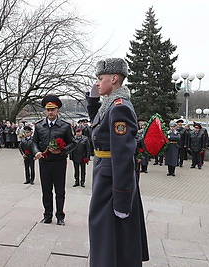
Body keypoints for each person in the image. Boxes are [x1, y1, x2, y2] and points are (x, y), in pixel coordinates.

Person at [86, 58, 149, 266]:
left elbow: (122, 156)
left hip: (112, 178)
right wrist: (92, 102)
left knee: (109, 233)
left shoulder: (119, 108)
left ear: (113, 78)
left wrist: (122, 199)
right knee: (105, 233)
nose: (97, 83)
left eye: (100, 78)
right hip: (105, 174)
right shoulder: (111, 104)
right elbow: (98, 126)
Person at [32, 94, 76, 226]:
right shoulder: (39, 126)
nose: (50, 112)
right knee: (46, 190)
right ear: (45, 111)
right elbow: (34, 142)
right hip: (44, 162)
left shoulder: (65, 126)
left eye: (53, 110)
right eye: (48, 110)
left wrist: (61, 151)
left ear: (57, 111)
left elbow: (72, 143)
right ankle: (47, 215)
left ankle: (60, 216)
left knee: (60, 190)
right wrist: (37, 152)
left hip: (59, 162)